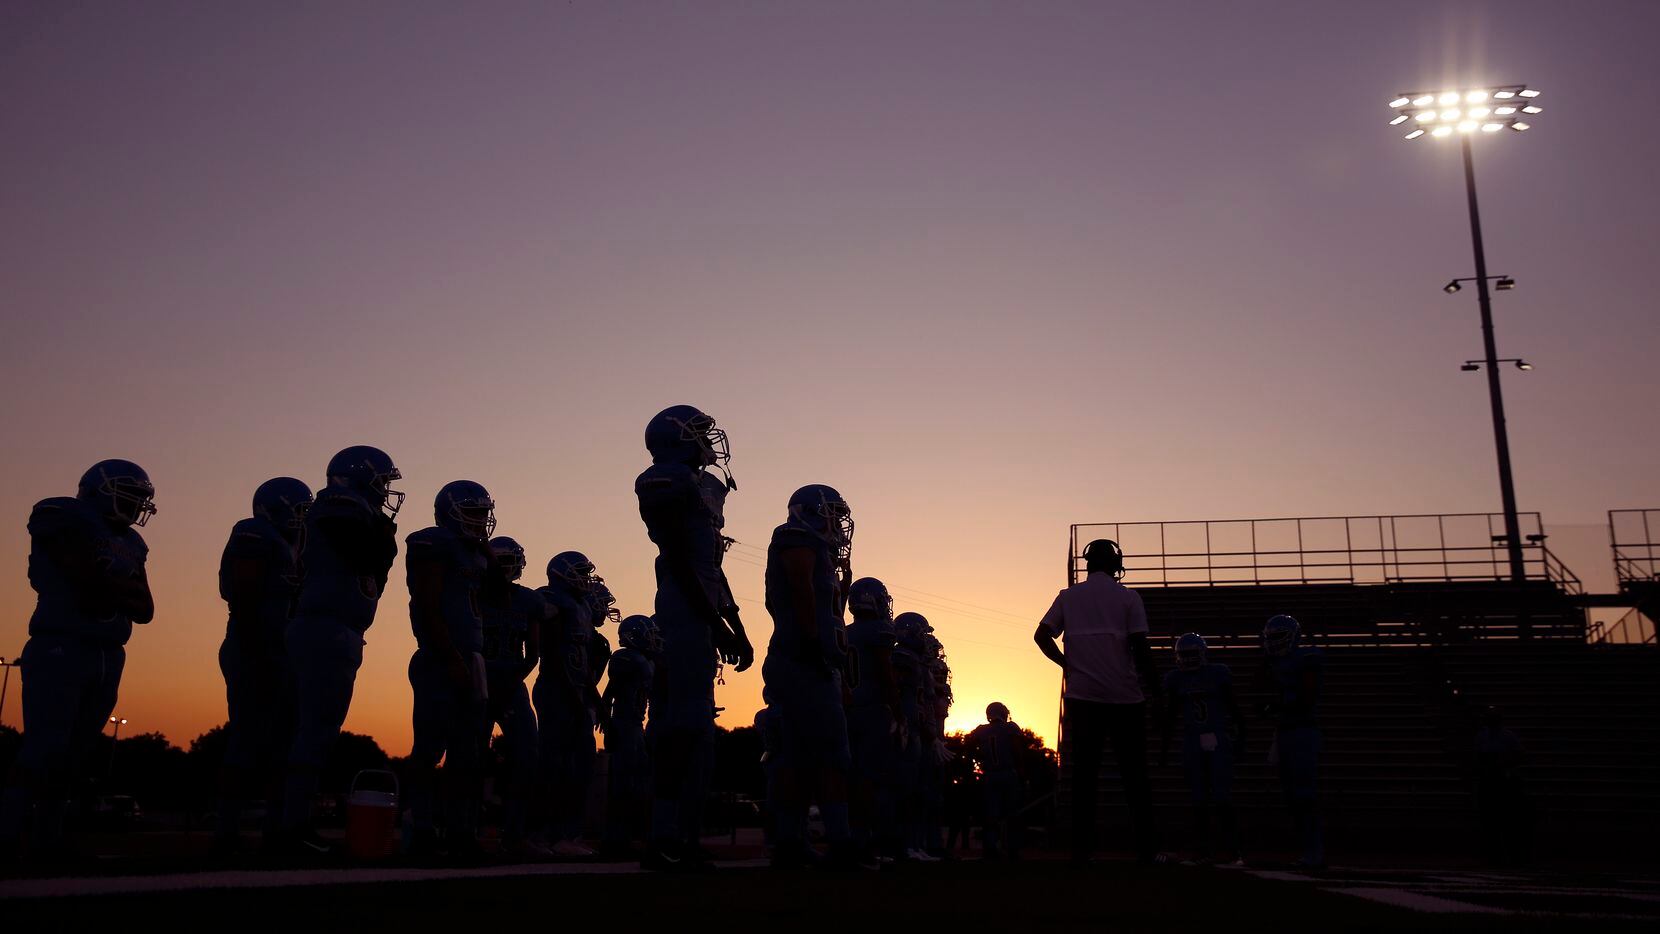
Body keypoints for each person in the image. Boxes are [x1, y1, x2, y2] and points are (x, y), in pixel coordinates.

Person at [1, 460, 157, 860]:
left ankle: (47, 839)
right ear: (100, 488)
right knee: (44, 745)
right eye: (130, 491)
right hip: (62, 643)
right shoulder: (61, 513)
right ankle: (7, 831)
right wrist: (117, 587)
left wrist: (110, 586)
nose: (136, 501)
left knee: (75, 754)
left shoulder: (134, 544)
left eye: (140, 496)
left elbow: (145, 608)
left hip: (108, 651)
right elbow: (86, 584)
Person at [634, 405, 753, 870]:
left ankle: (683, 836)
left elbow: (710, 569)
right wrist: (718, 623)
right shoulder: (665, 480)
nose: (710, 439)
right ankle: (662, 839)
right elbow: (680, 562)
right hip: (683, 614)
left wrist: (734, 623)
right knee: (682, 730)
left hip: (699, 611)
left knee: (701, 738)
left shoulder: (700, 487)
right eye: (701, 432)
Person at [282, 445, 401, 855]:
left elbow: (373, 572)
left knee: (318, 732)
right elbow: (366, 552)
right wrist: (384, 541)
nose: (386, 490)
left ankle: (291, 823)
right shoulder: (338, 502)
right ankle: (290, 826)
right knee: (311, 732)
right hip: (324, 625)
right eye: (383, 481)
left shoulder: (356, 513)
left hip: (339, 627)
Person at [1033, 538, 1162, 865]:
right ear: (1115, 563)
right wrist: (1157, 689)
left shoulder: (1068, 597)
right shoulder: (1129, 597)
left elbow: (1041, 635)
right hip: (1125, 696)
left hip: (1083, 695)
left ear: (1088, 563)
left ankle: (1081, 850)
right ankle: (1147, 849)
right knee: (1135, 775)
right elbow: (1140, 646)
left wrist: (1067, 664)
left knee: (1084, 775)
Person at [762, 484, 867, 869]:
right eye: (833, 513)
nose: (838, 523)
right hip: (804, 660)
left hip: (812, 661)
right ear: (811, 511)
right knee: (829, 756)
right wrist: (811, 644)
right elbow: (800, 590)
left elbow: (823, 605)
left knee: (802, 757)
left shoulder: (814, 547)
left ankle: (791, 841)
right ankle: (839, 842)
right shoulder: (795, 537)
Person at [215, 476, 312, 854]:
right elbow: (244, 595)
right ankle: (226, 833)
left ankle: (276, 828)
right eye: (300, 510)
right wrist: (259, 651)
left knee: (284, 746)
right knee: (246, 741)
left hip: (282, 652)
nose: (304, 519)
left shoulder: (293, 546)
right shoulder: (254, 533)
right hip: (254, 647)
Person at [405, 480, 495, 860]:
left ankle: (459, 830)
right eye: (472, 513)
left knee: (467, 753)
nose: (480, 521)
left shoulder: (473, 553)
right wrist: (450, 657)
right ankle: (419, 827)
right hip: (441, 657)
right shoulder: (433, 543)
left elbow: (497, 593)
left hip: (470, 657)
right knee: (429, 748)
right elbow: (427, 606)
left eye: (482, 513)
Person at [478, 535, 548, 856]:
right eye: (500, 562)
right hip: (476, 680)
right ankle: (458, 826)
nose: (506, 569)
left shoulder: (529, 601)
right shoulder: (475, 593)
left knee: (528, 754)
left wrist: (511, 681)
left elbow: (533, 654)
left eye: (510, 562)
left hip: (512, 681)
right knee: (468, 754)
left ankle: (515, 831)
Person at [535, 550, 601, 856]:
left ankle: (569, 834)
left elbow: (582, 660)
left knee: (582, 766)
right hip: (555, 689)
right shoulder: (555, 602)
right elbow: (552, 654)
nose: (586, 579)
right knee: (555, 765)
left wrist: (594, 696)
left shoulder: (582, 607)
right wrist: (575, 696)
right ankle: (548, 834)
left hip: (576, 690)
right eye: (581, 572)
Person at [1159, 632, 1244, 865]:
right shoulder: (1177, 679)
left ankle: (1232, 849)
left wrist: (1241, 734)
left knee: (1221, 796)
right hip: (1192, 740)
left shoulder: (1217, 674)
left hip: (1216, 737)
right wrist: (1165, 747)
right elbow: (1171, 714)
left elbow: (1233, 706)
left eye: (1192, 654)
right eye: (1184, 655)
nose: (1188, 659)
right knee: (1198, 798)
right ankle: (1204, 849)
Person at [1258, 614, 1324, 870]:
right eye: (1270, 638)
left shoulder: (1307, 659)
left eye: (1278, 637)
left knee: (1304, 795)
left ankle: (1314, 851)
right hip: (1285, 730)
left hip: (1302, 730)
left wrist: (1276, 705)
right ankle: (1307, 849)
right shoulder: (1273, 662)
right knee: (1292, 796)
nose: (1273, 643)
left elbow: (1306, 696)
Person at [843, 577, 900, 862]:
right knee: (871, 779)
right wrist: (898, 712)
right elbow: (885, 674)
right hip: (872, 709)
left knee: (849, 777)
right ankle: (865, 840)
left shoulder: (844, 630)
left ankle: (850, 836)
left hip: (846, 708)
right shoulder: (879, 629)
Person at [601, 614, 658, 855]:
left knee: (639, 782)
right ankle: (617, 838)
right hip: (625, 724)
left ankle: (629, 835)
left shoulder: (645, 660)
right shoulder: (626, 658)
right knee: (623, 784)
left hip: (635, 725)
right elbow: (610, 690)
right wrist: (607, 722)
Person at [889, 611, 938, 863]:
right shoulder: (901, 657)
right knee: (904, 790)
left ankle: (914, 844)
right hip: (905, 730)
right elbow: (893, 690)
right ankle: (901, 845)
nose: (926, 640)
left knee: (918, 792)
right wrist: (899, 721)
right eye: (923, 633)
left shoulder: (918, 662)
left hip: (917, 731)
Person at [966, 702, 1026, 860]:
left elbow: (970, 744)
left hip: (990, 775)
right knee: (1012, 813)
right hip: (1007, 773)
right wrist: (1021, 770)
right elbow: (1017, 750)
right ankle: (1012, 848)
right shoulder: (1011, 728)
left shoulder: (981, 730)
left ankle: (990, 847)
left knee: (991, 813)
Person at [1473, 706, 1529, 866]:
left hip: (1501, 780)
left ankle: (1507, 854)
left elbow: (1519, 756)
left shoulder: (1505, 736)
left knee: (1503, 819)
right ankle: (1496, 854)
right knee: (1491, 820)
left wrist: (1503, 764)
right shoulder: (1484, 736)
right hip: (1490, 780)